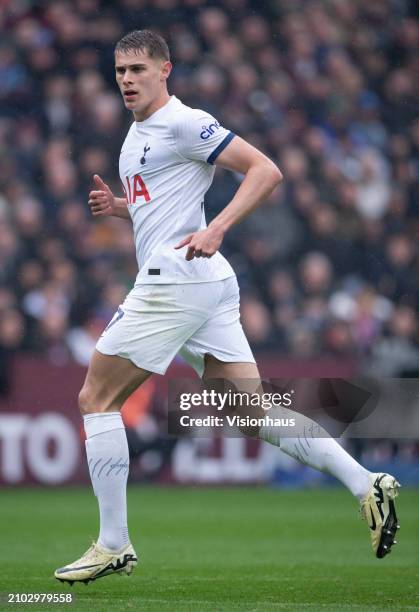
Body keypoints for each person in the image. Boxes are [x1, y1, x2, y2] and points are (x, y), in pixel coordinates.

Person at [54, 30, 400, 585]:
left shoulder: (187, 122)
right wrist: (122, 209)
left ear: (166, 70)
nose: (126, 79)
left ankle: (113, 543)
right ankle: (366, 483)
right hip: (204, 281)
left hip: (176, 280)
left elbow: (266, 170)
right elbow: (164, 206)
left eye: (138, 69)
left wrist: (217, 226)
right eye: (120, 70)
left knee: (95, 397)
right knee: (249, 413)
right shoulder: (138, 134)